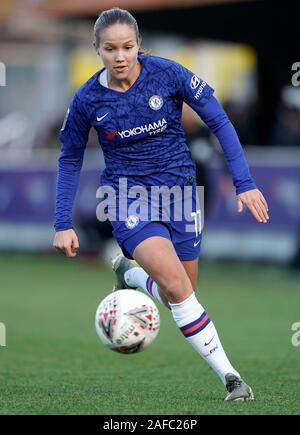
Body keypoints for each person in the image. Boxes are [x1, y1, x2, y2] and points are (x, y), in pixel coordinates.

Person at [53, 7, 269, 401]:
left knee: (179, 295)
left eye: (128, 47)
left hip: (181, 196)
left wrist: (245, 183)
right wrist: (61, 222)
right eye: (110, 49)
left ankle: (132, 277)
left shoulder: (168, 74)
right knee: (177, 288)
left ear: (139, 45)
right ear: (96, 49)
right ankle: (232, 378)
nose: (120, 56)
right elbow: (69, 157)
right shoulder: (87, 98)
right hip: (127, 200)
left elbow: (220, 122)